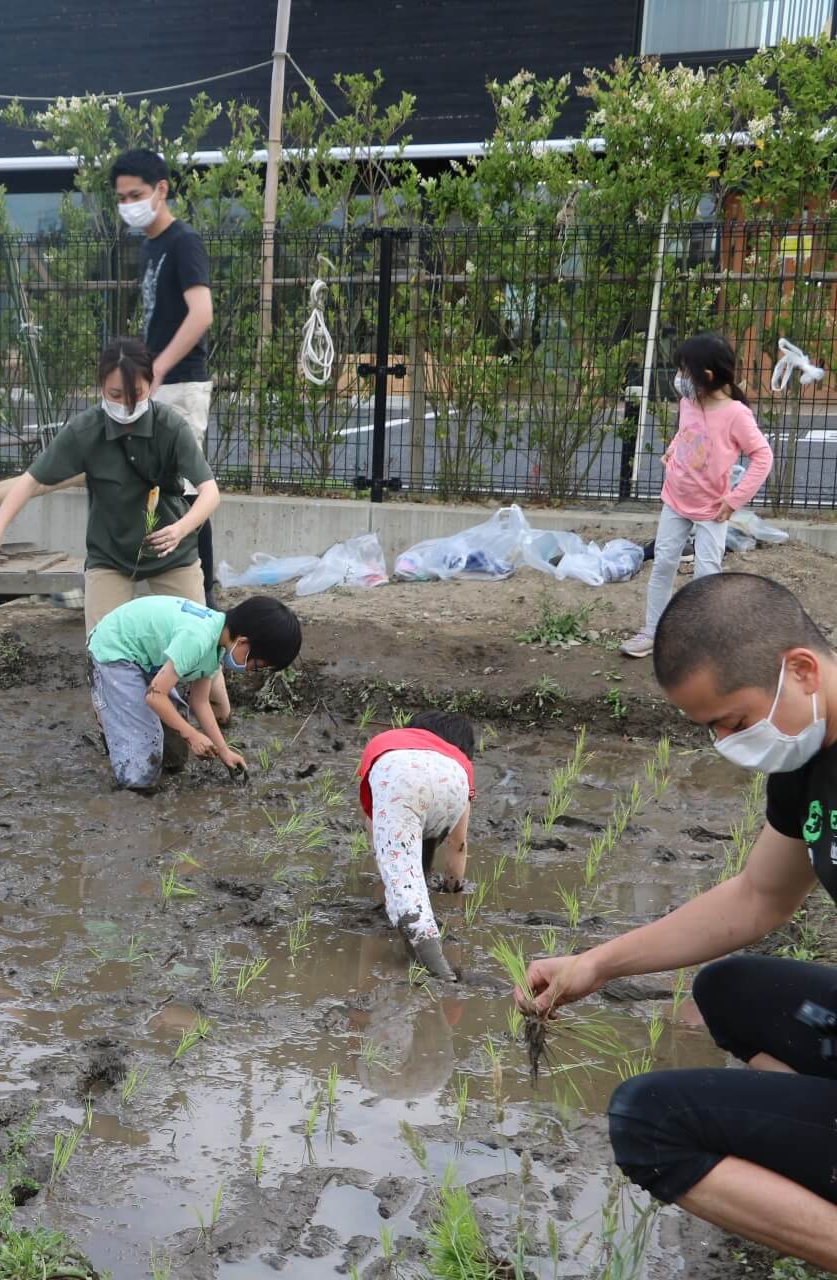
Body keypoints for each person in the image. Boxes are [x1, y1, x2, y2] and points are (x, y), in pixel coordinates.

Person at [519, 572, 837, 1270]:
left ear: (802, 670)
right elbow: (759, 896)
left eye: (732, 720)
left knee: (651, 1123)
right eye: (710, 729)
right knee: (731, 991)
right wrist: (597, 963)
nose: (725, 742)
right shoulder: (809, 756)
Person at [0, 338, 220, 637]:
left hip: (171, 554)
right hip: (109, 556)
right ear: (101, 386)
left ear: (151, 385)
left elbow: (210, 492)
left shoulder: (170, 426)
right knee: (103, 650)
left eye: (136, 394)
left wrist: (181, 528)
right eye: (115, 394)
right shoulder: (85, 430)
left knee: (199, 642)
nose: (126, 405)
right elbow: (30, 480)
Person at [621, 333, 773, 659]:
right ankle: (652, 631)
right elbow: (686, 432)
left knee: (706, 575)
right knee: (663, 563)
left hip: (711, 510)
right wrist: (672, 451)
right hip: (675, 499)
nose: (679, 379)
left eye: (684, 371)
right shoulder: (689, 401)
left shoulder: (735, 415)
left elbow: (763, 457)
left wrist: (734, 500)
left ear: (706, 376)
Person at [112, 148, 218, 607]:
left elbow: (202, 313)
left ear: (161, 189)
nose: (128, 204)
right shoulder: (151, 245)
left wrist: (159, 368)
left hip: (181, 383)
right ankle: (163, 584)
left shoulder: (183, 241)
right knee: (156, 485)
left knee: (188, 490)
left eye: (136, 194)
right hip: (158, 381)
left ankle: (205, 595)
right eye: (121, 197)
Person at [86, 594, 301, 791]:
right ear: (243, 642)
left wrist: (224, 750)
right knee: (142, 764)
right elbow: (154, 696)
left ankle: (126, 737)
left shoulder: (217, 645)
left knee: (174, 754)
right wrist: (192, 734)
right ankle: (131, 789)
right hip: (115, 651)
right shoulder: (199, 638)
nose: (251, 671)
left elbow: (200, 702)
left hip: (145, 658)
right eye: (255, 665)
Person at [356, 710, 476, 980]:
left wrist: (389, 872)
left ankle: (438, 970)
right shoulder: (460, 760)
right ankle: (419, 890)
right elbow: (458, 843)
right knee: (419, 828)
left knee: (399, 872)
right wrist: (452, 889)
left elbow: (376, 823)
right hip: (454, 783)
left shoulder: (390, 741)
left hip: (398, 773)